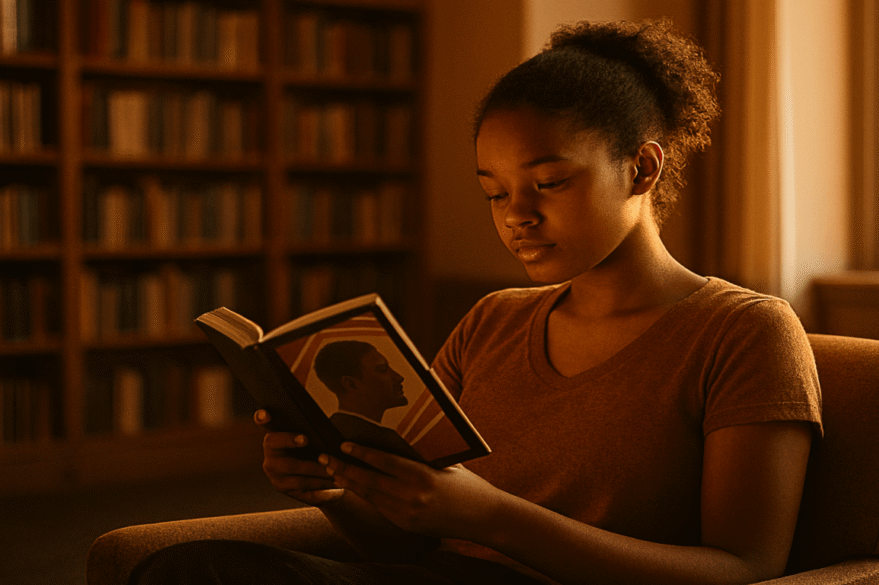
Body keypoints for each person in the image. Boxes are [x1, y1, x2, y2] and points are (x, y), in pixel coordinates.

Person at [131, 18, 822, 585]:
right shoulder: (494, 319)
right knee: (188, 570)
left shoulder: (744, 331)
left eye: (548, 183)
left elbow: (747, 566)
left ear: (642, 167)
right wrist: (336, 490)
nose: (515, 215)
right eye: (494, 191)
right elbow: (409, 541)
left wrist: (496, 517)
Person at [313, 340, 425, 463]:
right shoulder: (383, 440)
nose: (398, 377)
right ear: (351, 384)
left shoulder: (331, 431)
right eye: (382, 369)